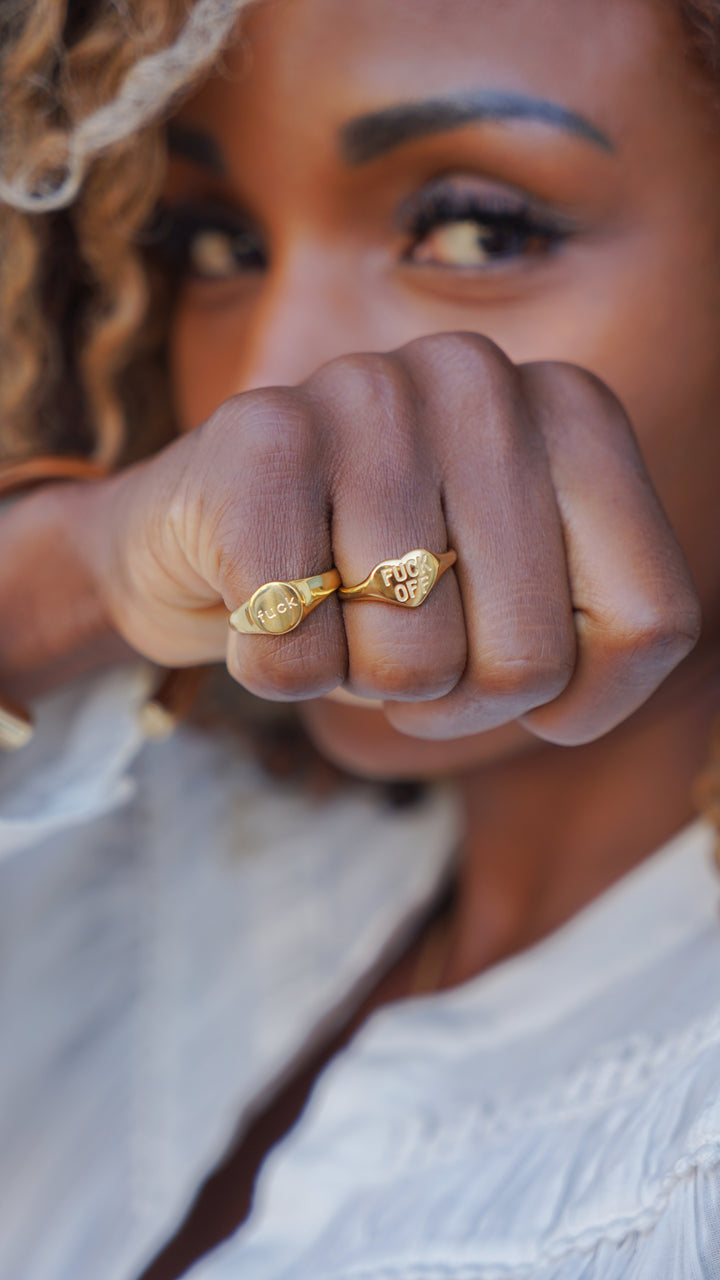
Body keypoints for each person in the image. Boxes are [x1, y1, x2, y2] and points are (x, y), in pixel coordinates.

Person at [1, 0, 720, 1276]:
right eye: (216, 244)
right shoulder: (127, 834)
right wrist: (81, 566)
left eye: (476, 229)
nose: (268, 391)